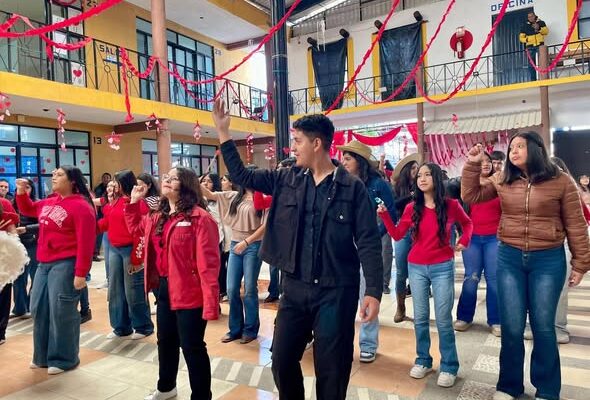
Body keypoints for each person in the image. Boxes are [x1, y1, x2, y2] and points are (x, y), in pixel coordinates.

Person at [213, 98, 382, 400]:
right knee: (281, 360)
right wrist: (224, 132)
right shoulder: (286, 179)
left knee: (332, 368)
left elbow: (369, 240)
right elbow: (243, 176)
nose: (293, 148)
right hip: (294, 287)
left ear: (317, 144)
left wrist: (373, 291)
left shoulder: (351, 187)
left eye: (298, 141)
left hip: (336, 290)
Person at [461, 132, 590, 400]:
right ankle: (509, 386)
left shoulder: (561, 180)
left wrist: (581, 263)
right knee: (511, 326)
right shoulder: (502, 179)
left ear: (536, 148)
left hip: (548, 260)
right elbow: (471, 195)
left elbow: (576, 224)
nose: (514, 151)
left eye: (520, 146)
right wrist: (472, 164)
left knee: (543, 327)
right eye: (512, 147)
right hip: (509, 258)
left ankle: (547, 389)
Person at [125, 167, 220, 400]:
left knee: (192, 346)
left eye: (173, 178)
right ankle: (166, 387)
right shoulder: (158, 215)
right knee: (165, 341)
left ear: (186, 185)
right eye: (166, 177)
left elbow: (209, 264)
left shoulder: (200, 218)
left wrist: (211, 303)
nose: (166, 180)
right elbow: (136, 231)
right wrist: (133, 203)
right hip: (164, 288)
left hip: (190, 292)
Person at [379, 163, 472, 388]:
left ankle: (449, 365)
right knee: (420, 318)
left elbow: (467, 224)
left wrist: (463, 240)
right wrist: (385, 216)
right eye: (419, 175)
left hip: (443, 267)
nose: (422, 179)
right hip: (416, 267)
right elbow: (397, 234)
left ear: (436, 179)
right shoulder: (412, 208)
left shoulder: (451, 205)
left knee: (443, 319)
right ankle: (423, 360)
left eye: (427, 175)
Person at [15, 166, 96, 374]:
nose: (54, 177)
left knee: (61, 311)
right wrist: (21, 193)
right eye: (53, 174)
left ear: (72, 181)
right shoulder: (50, 201)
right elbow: (29, 209)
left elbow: (86, 242)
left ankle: (64, 358)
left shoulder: (81, 206)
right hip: (44, 263)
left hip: (65, 263)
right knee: (38, 308)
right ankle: (41, 356)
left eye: (59, 175)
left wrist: (81, 273)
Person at [338, 140, 397, 364]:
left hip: (368, 247)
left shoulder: (378, 185)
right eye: (343, 158)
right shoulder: (341, 183)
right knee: (342, 296)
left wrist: (373, 235)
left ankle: (368, 344)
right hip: (345, 247)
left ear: (360, 162)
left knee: (368, 295)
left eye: (348, 159)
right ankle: (339, 342)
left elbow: (391, 213)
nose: (343, 162)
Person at [201, 169, 266, 344]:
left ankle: (250, 329)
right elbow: (209, 194)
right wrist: (196, 181)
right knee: (231, 289)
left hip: (253, 244)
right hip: (235, 243)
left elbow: (265, 226)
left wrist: (246, 242)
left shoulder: (262, 198)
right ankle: (235, 329)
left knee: (250, 289)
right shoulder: (234, 196)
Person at [100, 170, 153, 340]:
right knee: (115, 289)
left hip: (131, 249)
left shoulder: (138, 202)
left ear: (124, 183)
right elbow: (107, 222)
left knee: (133, 289)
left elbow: (141, 230)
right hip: (114, 249)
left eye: (116, 182)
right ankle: (121, 327)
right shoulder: (115, 202)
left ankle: (143, 326)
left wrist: (138, 257)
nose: (113, 185)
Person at [455, 152, 501, 336]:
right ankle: (464, 317)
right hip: (472, 239)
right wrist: (461, 234)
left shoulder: (499, 184)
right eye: (482, 162)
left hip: (494, 239)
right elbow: (459, 211)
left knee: (494, 279)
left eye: (489, 161)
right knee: (471, 277)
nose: (486, 164)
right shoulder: (468, 186)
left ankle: (496, 320)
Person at [391, 153, 420, 322]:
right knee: (401, 272)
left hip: (420, 231)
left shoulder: (422, 184)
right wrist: (411, 196)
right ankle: (400, 307)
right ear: (406, 170)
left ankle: (419, 309)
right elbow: (394, 205)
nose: (416, 171)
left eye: (417, 167)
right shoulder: (397, 188)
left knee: (418, 272)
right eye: (413, 168)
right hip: (402, 230)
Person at [11, 178, 39, 319]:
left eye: (27, 187)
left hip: (33, 244)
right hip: (16, 245)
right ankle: (20, 308)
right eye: (21, 187)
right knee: (18, 278)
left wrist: (27, 229)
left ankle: (32, 305)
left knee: (36, 277)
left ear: (32, 189)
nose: (24, 190)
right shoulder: (12, 204)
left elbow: (43, 224)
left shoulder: (37, 204)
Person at [200, 173, 229, 302]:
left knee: (219, 266)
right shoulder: (198, 199)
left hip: (218, 236)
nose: (205, 183)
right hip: (203, 237)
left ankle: (222, 290)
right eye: (203, 181)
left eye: (209, 181)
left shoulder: (219, 198)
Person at [0, 197, 20, 346]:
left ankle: (1, 332)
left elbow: (14, 237)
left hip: (3, 263)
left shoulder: (5, 205)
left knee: (3, 296)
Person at [519, 11, 549, 82]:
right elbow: (521, 38)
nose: (530, 18)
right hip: (530, 47)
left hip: (540, 46)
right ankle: (533, 80)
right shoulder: (524, 26)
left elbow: (546, 32)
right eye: (529, 17)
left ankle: (543, 79)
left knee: (542, 62)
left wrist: (539, 28)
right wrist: (527, 39)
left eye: (532, 16)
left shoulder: (541, 23)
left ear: (535, 16)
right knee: (531, 64)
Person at [93, 172, 112, 262]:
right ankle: (95, 253)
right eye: (104, 177)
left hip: (110, 220)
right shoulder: (98, 189)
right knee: (99, 235)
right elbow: (97, 200)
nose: (106, 179)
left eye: (107, 177)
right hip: (100, 215)